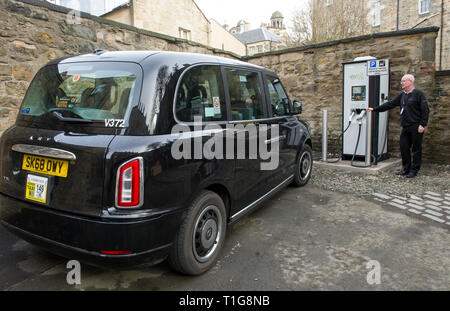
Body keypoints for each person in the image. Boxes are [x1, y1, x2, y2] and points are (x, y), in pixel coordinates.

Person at [368, 74, 429, 178]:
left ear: (410, 81)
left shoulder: (419, 94)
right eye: (401, 81)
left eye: (403, 81)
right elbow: (390, 104)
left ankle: (414, 170)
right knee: (404, 147)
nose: (401, 83)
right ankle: (406, 168)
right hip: (405, 127)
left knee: (416, 149)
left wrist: (422, 124)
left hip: (416, 126)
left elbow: (425, 110)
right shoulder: (402, 95)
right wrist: (375, 109)